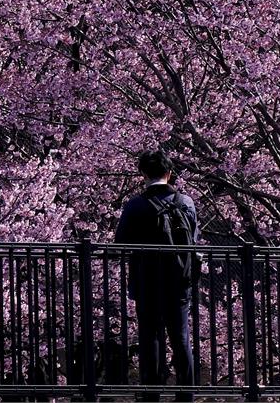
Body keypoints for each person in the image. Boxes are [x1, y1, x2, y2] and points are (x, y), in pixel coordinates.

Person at [114, 149, 199, 402]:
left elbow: (121, 243)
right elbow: (194, 239)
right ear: (169, 173)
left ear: (143, 174)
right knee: (181, 338)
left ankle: (151, 393)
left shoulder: (136, 205)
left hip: (146, 280)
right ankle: (186, 394)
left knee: (150, 337)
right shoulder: (186, 202)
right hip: (179, 282)